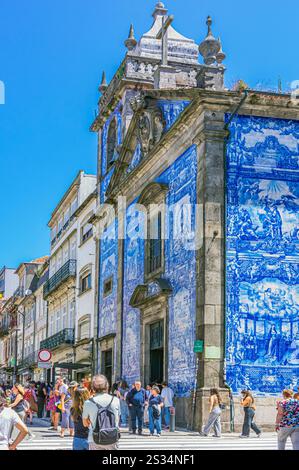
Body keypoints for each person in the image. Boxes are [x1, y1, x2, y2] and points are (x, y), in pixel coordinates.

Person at [82, 374, 120, 450]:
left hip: (95, 438)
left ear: (92, 388)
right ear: (107, 386)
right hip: (112, 437)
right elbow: (117, 419)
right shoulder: (115, 400)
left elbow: (85, 423)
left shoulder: (88, 402)